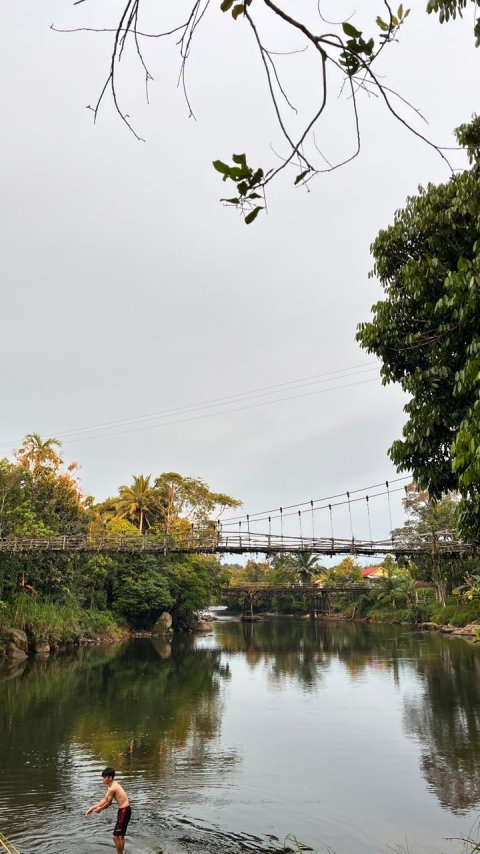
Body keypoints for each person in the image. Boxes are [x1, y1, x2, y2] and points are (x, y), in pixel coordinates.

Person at [86, 767, 131, 853]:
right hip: (123, 811)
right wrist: (93, 808)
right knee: (116, 837)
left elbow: (108, 803)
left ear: (110, 778)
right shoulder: (111, 786)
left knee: (118, 837)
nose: (103, 779)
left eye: (104, 777)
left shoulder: (112, 788)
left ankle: (121, 853)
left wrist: (100, 809)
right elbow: (105, 800)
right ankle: (122, 852)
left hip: (124, 811)